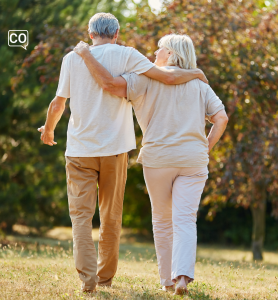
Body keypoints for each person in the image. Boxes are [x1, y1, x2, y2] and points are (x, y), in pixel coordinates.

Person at [38, 13, 208, 293]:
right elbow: (165, 76)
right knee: (111, 216)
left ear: (90, 33)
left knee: (80, 217)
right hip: (115, 150)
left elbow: (59, 103)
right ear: (116, 33)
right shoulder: (128, 55)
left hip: (79, 150)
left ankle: (87, 279)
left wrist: (48, 130)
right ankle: (105, 278)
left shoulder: (72, 58)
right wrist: (196, 74)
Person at [73, 33, 228, 295]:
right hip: (193, 159)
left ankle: (167, 282)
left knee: (162, 221)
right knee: (186, 220)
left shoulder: (143, 79)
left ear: (170, 54)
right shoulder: (200, 83)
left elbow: (110, 86)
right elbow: (221, 118)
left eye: (159, 49)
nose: (154, 54)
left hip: (158, 159)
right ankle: (182, 277)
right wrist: (206, 146)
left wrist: (86, 56)